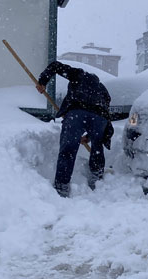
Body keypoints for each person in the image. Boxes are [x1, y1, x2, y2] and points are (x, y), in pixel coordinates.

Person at [36, 61, 114, 197]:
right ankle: (96, 181)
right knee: (97, 148)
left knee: (68, 150)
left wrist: (43, 81)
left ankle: (62, 187)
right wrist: (91, 137)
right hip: (99, 118)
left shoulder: (78, 74)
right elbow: (103, 114)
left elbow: (55, 65)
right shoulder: (102, 90)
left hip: (77, 113)